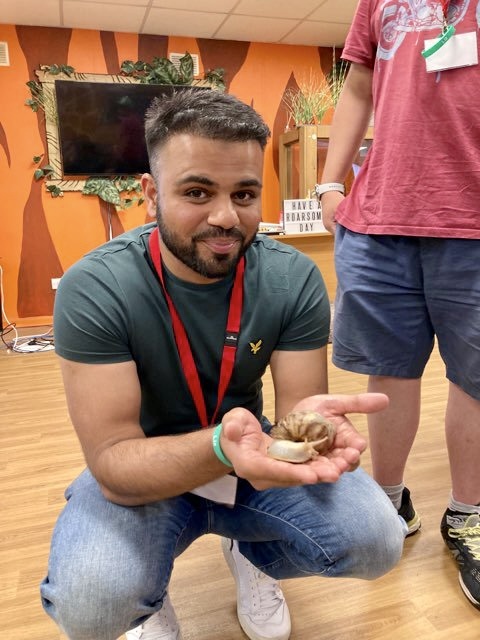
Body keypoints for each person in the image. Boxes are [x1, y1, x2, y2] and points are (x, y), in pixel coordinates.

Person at [40, 88, 405, 640]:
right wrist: (218, 449)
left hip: (249, 448)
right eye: (196, 191)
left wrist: (314, 432)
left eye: (244, 194)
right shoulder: (95, 287)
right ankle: (147, 598)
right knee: (91, 603)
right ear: (151, 194)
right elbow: (113, 462)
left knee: (376, 538)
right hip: (145, 459)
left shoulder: (292, 278)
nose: (224, 217)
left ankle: (253, 556)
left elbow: (296, 415)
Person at [318, 0, 480, 610]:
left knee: (477, 379)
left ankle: (468, 515)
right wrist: (331, 184)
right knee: (388, 369)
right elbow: (360, 85)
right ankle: (387, 498)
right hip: (380, 218)